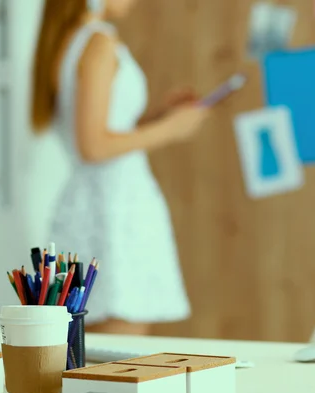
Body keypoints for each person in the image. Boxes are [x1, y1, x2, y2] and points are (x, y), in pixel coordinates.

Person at [30, 0, 211, 335]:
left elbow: (100, 129)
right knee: (119, 359)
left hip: (94, 205)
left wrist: (156, 117)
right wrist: (172, 128)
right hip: (115, 211)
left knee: (92, 351)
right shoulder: (98, 42)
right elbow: (94, 146)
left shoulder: (67, 42)